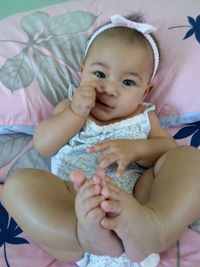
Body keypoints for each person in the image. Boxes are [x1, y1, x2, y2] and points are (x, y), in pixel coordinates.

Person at [3, 13, 200, 267]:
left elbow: (167, 148)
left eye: (128, 81)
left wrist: (138, 149)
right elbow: (43, 144)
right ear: (82, 72)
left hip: (140, 205)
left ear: (146, 91)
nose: (110, 88)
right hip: (75, 208)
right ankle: (85, 235)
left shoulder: (144, 116)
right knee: (17, 184)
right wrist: (75, 113)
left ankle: (156, 226)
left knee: (187, 159)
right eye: (100, 74)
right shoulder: (70, 107)